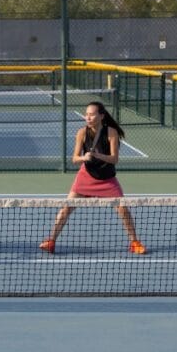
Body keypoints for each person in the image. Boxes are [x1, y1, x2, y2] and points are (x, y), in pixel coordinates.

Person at [39, 101, 146, 255]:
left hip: (107, 179)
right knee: (66, 208)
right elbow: (74, 159)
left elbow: (114, 159)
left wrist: (97, 155)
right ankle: (51, 241)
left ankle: (134, 242)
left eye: (91, 114)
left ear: (101, 116)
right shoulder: (82, 133)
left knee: (123, 210)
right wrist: (85, 158)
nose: (88, 117)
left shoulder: (111, 132)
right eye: (86, 114)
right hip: (86, 176)